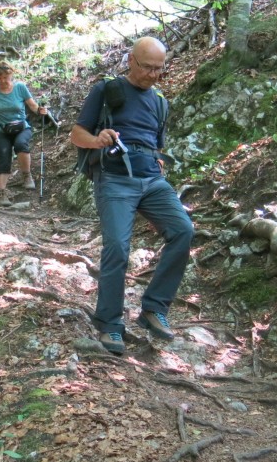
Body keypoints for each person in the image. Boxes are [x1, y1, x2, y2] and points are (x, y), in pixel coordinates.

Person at [69, 36, 194, 354]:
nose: (154, 75)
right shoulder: (107, 90)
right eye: (148, 67)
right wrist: (98, 140)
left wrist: (158, 161)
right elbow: (76, 134)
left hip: (152, 180)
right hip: (114, 179)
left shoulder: (160, 102)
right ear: (131, 61)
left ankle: (154, 309)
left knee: (183, 230)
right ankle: (109, 325)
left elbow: (156, 142)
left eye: (159, 69)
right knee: (117, 248)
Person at [0, 61, 47, 207]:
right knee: (3, 158)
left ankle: (27, 175)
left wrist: (40, 110)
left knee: (21, 145)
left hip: (21, 127)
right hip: (1, 130)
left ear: (11, 75)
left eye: (5, 77)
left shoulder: (20, 87)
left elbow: (32, 105)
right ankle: (1, 193)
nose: (3, 81)